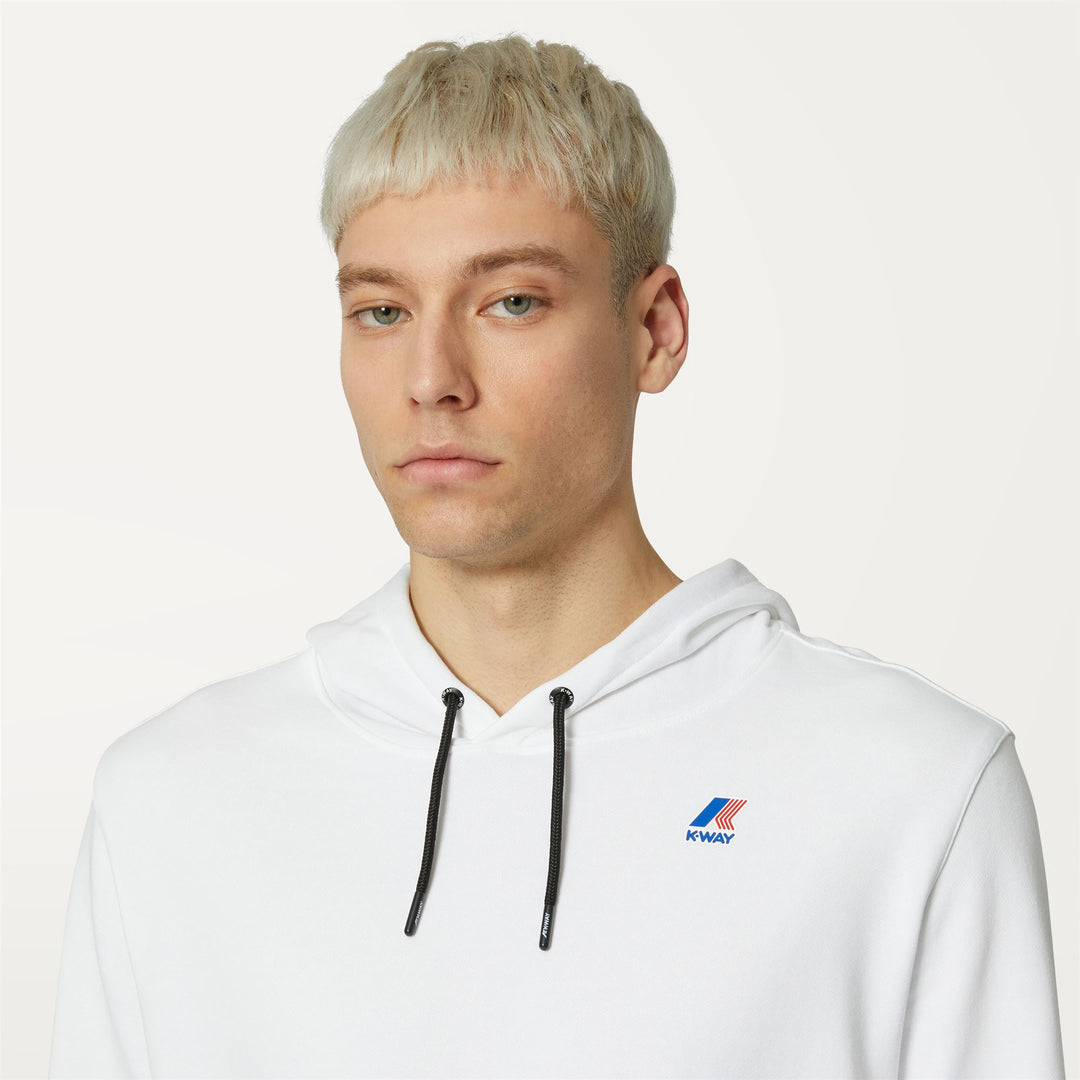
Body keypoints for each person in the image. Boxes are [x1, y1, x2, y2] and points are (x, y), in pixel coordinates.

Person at [49, 34, 1064, 1079]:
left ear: (655, 330)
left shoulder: (912, 786)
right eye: (382, 311)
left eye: (512, 302)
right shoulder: (173, 800)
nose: (431, 379)